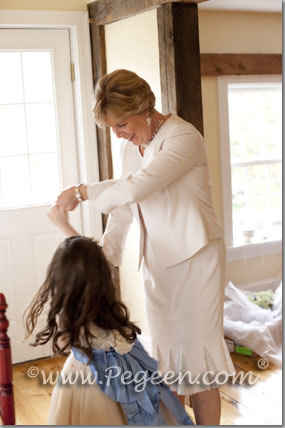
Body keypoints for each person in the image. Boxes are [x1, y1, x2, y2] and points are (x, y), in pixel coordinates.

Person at [55, 69, 236, 425]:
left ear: (144, 107)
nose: (118, 133)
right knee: (168, 363)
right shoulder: (130, 148)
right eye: (111, 127)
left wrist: (82, 191)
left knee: (199, 365)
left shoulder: (182, 137)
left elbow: (136, 188)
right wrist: (102, 260)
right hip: (158, 263)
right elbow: (124, 208)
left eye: (120, 124)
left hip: (197, 259)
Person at [24, 212, 193, 426]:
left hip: (87, 377)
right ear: (101, 275)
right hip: (126, 368)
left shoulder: (71, 315)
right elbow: (91, 261)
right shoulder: (107, 304)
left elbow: (65, 344)